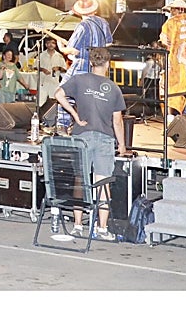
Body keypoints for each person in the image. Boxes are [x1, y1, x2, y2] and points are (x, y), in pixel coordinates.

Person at [54, 46, 130, 242]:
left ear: (90, 62)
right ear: (107, 64)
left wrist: (75, 115)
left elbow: (58, 94)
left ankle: (78, 225)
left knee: (80, 180)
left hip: (82, 136)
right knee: (103, 182)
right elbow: (117, 121)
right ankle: (102, 229)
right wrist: (122, 145)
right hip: (105, 138)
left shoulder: (79, 80)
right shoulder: (113, 88)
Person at [56, 0, 114, 130]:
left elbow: (73, 50)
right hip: (99, 66)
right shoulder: (103, 22)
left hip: (82, 65)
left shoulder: (83, 26)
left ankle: (63, 124)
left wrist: (61, 48)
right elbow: (109, 43)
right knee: (92, 97)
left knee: (64, 92)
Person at [36, 36, 68, 108]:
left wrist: (58, 68)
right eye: (48, 43)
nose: (51, 44)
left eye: (53, 43)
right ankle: (40, 117)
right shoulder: (41, 55)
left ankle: (52, 118)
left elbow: (65, 69)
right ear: (46, 44)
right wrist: (42, 69)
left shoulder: (59, 56)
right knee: (40, 102)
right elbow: (35, 67)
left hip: (54, 82)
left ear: (55, 45)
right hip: (43, 82)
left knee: (54, 102)